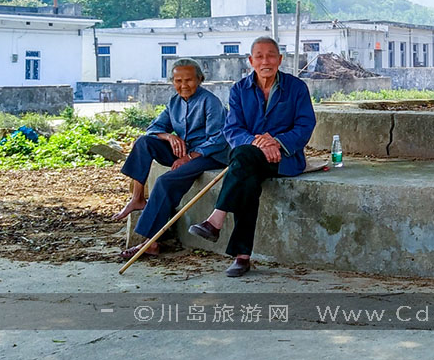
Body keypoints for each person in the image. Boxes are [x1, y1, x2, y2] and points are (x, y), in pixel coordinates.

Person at [188, 36, 316, 277]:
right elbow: (232, 129)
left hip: (284, 158)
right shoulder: (239, 89)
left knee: (243, 164)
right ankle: (242, 256)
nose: (265, 60)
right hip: (249, 155)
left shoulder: (296, 87)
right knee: (247, 175)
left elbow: (305, 125)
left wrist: (276, 142)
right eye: (259, 56)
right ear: (251, 60)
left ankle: (217, 221)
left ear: (280, 59)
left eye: (270, 55)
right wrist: (257, 142)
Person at [112, 58, 228, 260]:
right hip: (186, 150)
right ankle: (137, 198)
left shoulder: (210, 102)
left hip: (211, 154)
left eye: (189, 80)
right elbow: (153, 129)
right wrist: (169, 136)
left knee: (166, 180)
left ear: (200, 79)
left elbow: (218, 139)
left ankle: (151, 242)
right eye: (178, 81)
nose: (183, 85)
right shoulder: (174, 102)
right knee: (144, 142)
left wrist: (190, 157)